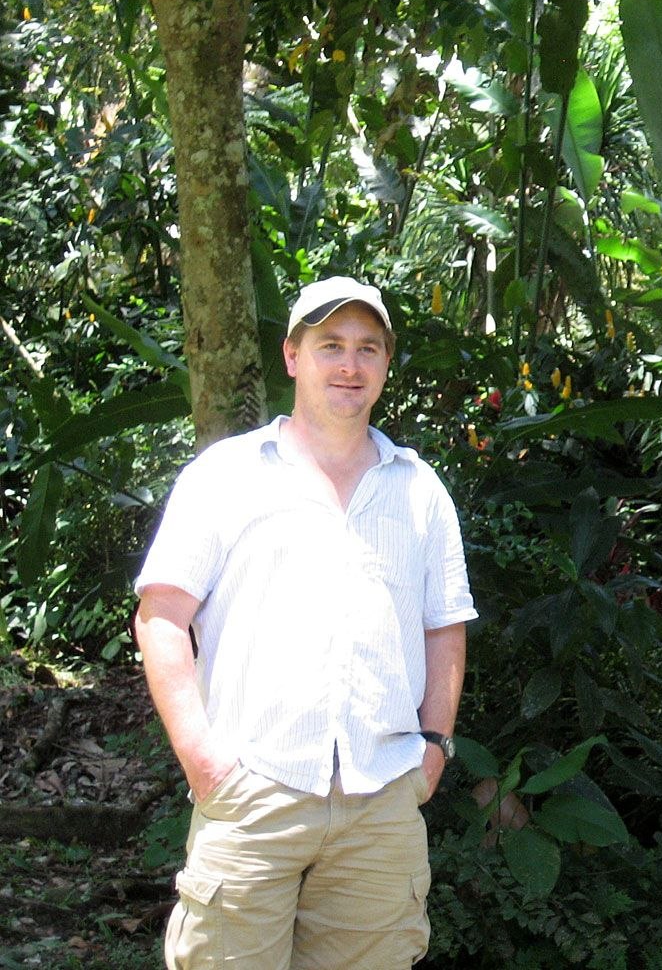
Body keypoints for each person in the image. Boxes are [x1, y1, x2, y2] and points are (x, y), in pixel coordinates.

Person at [133, 276, 476, 968]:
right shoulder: (225, 475)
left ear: (384, 364)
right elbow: (161, 618)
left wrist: (433, 748)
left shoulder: (419, 490)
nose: (349, 366)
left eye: (367, 349)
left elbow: (445, 627)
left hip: (380, 800)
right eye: (330, 346)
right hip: (252, 791)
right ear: (293, 356)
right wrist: (206, 763)